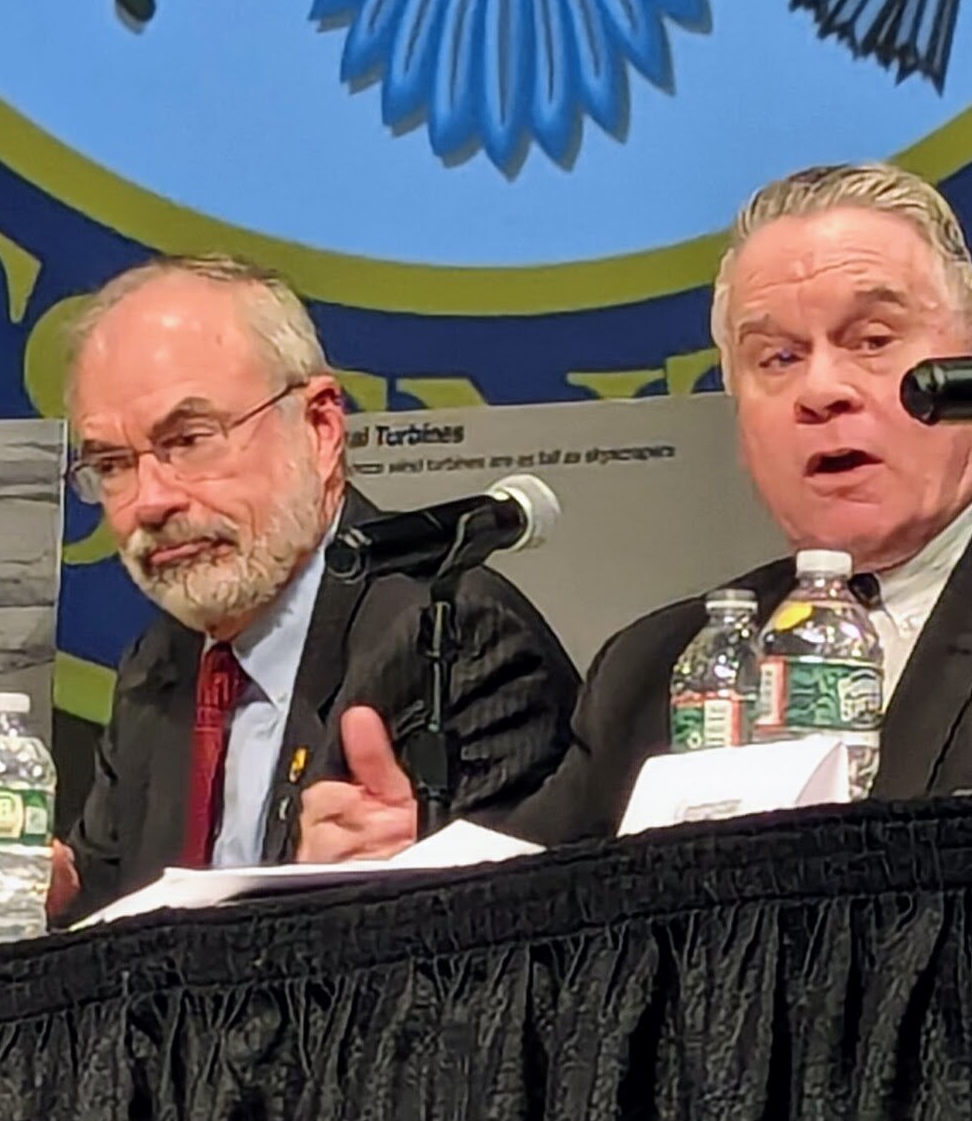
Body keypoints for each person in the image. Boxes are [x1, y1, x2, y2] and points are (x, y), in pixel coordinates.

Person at [299, 163, 972, 858]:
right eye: (775, 358)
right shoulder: (653, 670)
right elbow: (543, 942)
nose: (821, 389)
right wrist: (418, 875)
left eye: (872, 338)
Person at [51, 256, 580, 923]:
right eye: (111, 464)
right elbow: (112, 916)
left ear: (322, 429)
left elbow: (542, 959)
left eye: (188, 439)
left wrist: (421, 878)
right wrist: (61, 897)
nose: (150, 501)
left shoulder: (452, 639)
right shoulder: (160, 666)